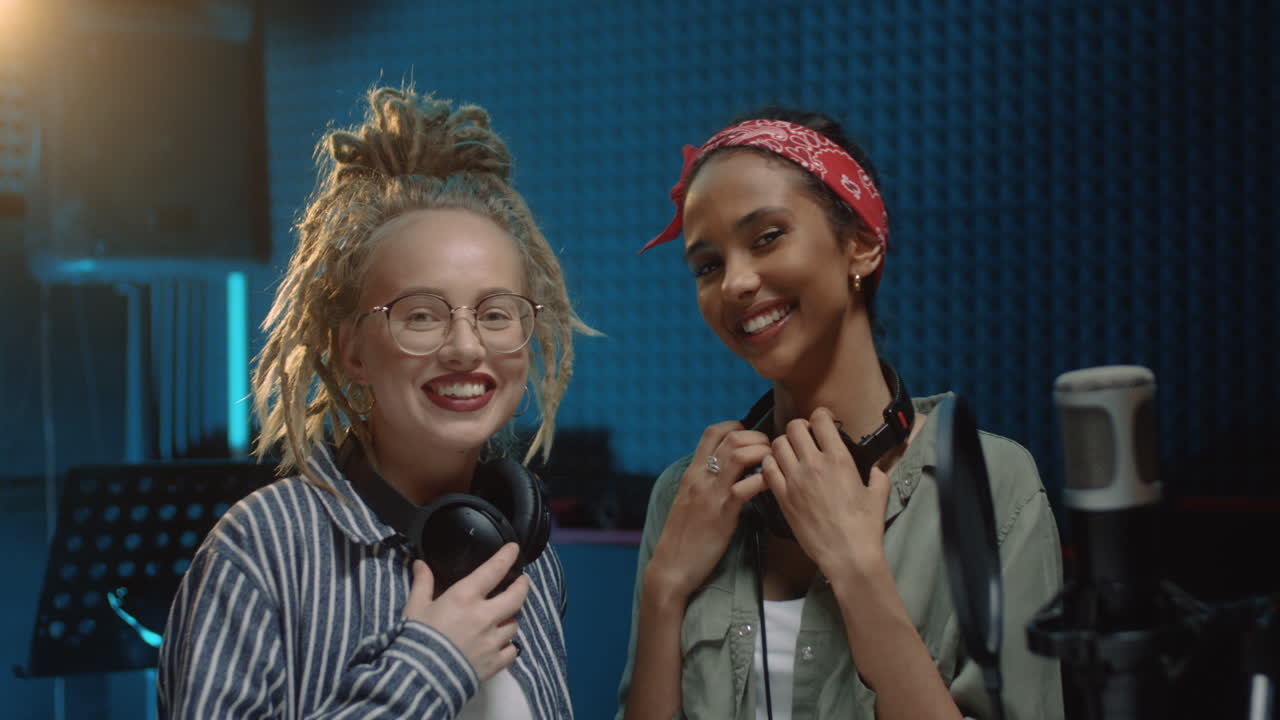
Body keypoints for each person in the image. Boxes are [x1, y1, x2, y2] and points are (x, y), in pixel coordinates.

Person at [158, 86, 592, 719]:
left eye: (497, 313)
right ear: (354, 351)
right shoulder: (261, 551)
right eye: (421, 315)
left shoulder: (527, 553)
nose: (467, 347)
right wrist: (432, 664)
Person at [616, 109, 1064, 719]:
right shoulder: (685, 493)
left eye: (767, 236)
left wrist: (855, 571)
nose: (735, 284)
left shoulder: (992, 485)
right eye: (708, 266)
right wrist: (664, 589)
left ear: (861, 244)